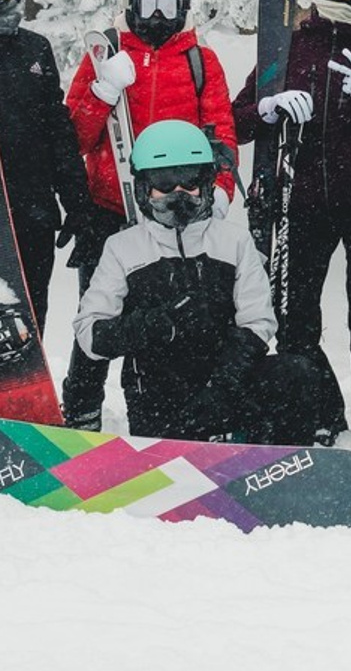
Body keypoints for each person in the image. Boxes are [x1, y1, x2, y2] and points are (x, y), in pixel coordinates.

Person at [231, 0, 351, 459]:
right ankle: (318, 413)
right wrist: (267, 105)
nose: (345, 0)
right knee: (296, 316)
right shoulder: (288, 48)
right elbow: (235, 120)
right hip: (301, 204)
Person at [66, 120, 325, 441]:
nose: (179, 195)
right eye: (164, 183)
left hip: (224, 386)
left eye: (189, 182)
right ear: (145, 189)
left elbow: (258, 321)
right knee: (173, 440)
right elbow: (89, 333)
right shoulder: (123, 249)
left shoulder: (234, 242)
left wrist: (222, 387)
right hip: (159, 398)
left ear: (207, 184)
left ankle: (279, 465)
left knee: (295, 373)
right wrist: (153, 325)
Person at [63, 0, 239, 424]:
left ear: (184, 8)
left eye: (168, 5)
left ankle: (157, 406)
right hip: (111, 206)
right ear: (130, 5)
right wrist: (102, 91)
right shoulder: (108, 54)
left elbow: (221, 133)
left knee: (169, 316)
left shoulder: (200, 61)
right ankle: (81, 408)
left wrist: (218, 194)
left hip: (174, 209)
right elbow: (74, 137)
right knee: (100, 312)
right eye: (147, 3)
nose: (157, 17)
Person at [0, 0, 93, 332]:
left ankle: (23, 391)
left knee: (25, 321)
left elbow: (57, 131)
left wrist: (77, 203)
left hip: (30, 214)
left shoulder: (34, 49)